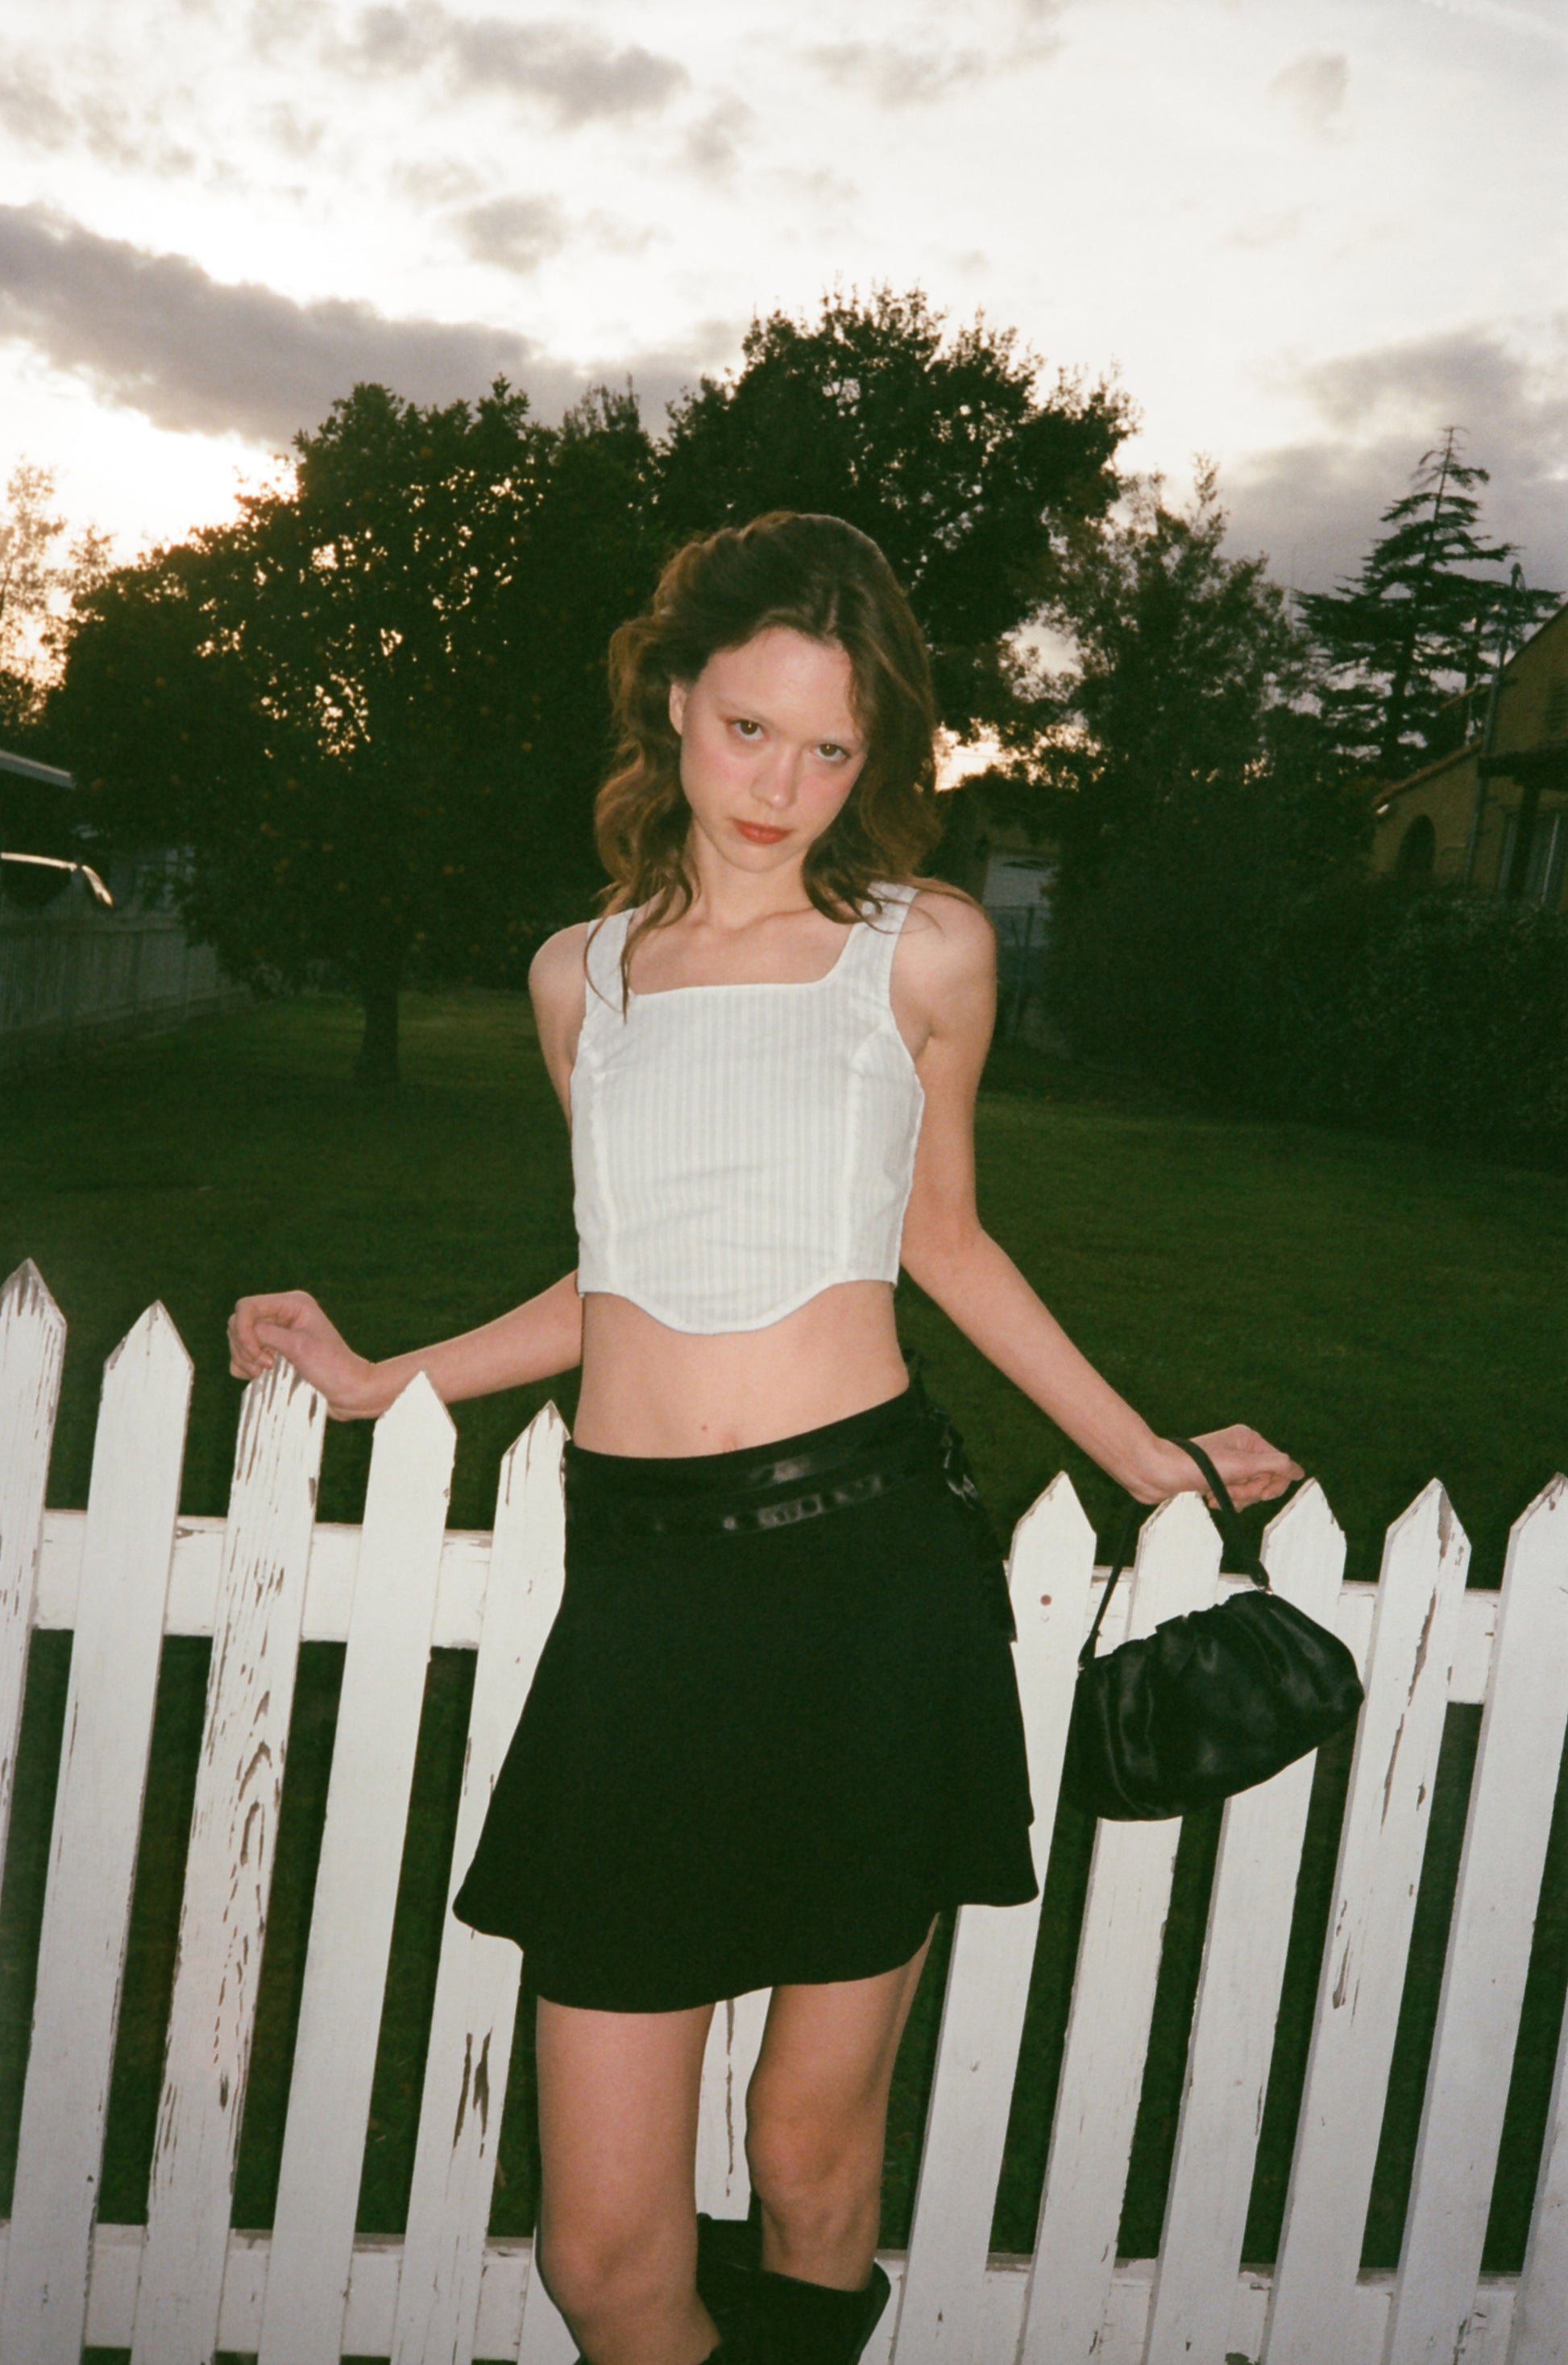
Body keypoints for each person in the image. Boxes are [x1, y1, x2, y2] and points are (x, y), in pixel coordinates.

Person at [228, 511, 1300, 2365]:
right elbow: (613, 1276)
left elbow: (940, 1238)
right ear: (669, 701)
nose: (782, 784)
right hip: (642, 1607)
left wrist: (1143, 1459)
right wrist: (379, 1378)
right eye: (748, 730)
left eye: (831, 748)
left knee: (808, 2166)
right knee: (603, 2257)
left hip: (867, 1577)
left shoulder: (921, 955)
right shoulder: (589, 977)